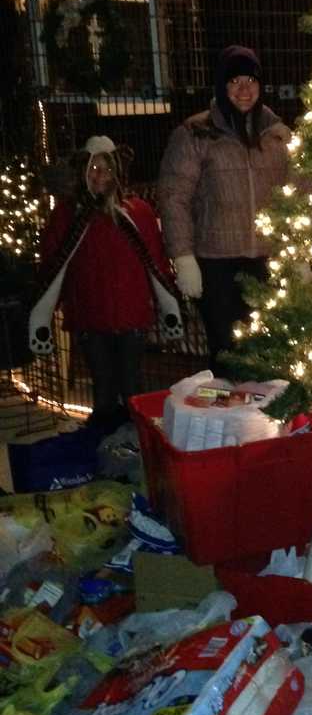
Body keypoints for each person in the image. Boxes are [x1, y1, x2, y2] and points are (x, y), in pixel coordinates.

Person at [29, 136, 183, 431]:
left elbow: (156, 262)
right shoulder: (67, 214)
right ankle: (104, 448)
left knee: (132, 386)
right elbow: (53, 266)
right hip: (89, 318)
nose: (100, 176)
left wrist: (168, 304)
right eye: (93, 169)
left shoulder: (138, 212)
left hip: (132, 317)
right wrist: (44, 313)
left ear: (117, 172)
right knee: (102, 390)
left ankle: (139, 447)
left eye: (106, 168)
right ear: (83, 172)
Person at [157, 45, 290, 369]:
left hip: (265, 262)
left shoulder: (278, 135)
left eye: (251, 80)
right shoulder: (195, 133)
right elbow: (174, 196)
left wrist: (298, 254)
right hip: (217, 265)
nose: (244, 90)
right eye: (234, 82)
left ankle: (262, 419)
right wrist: (184, 258)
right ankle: (229, 418)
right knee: (228, 354)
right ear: (221, 85)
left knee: (267, 353)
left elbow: (297, 196)